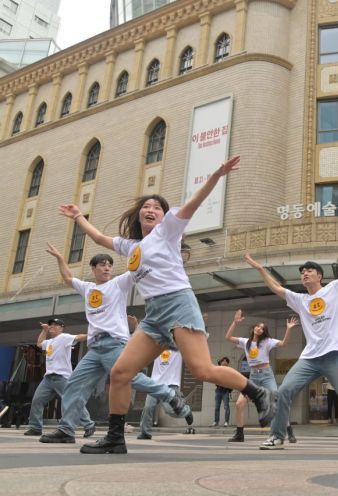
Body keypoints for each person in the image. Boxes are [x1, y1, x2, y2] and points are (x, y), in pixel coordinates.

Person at [61, 156, 277, 454]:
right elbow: (99, 237)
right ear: (139, 215)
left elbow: (194, 203)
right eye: (146, 207)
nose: (151, 210)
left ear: (164, 216)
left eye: (157, 208)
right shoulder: (131, 246)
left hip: (178, 304)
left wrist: (217, 174)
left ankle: (257, 392)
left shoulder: (168, 231)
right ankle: (115, 437)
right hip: (153, 315)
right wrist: (77, 217)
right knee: (120, 373)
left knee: (202, 370)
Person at [243, 232, 338, 450]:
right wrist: (260, 269)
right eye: (302, 272)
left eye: (309, 271)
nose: (304, 274)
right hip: (309, 358)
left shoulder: (335, 289)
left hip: (334, 355)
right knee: (284, 392)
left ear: (319, 275)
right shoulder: (300, 300)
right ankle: (277, 436)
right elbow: (276, 288)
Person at [39, 247, 192, 444]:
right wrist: (61, 257)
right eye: (102, 265)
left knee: (132, 379)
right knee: (74, 385)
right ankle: (67, 430)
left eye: (110, 265)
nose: (107, 268)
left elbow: (138, 269)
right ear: (93, 268)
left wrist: (160, 252)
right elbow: (68, 278)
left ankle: (169, 394)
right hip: (95, 348)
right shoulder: (87, 288)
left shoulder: (118, 283)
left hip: (114, 343)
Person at [225, 311, 298, 443]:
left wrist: (288, 329)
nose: (260, 328)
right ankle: (239, 434)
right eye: (258, 326)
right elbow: (228, 337)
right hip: (253, 377)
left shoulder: (267, 342)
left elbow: (283, 344)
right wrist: (235, 323)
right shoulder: (245, 342)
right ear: (254, 328)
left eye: (262, 328)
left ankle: (289, 430)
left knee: (276, 402)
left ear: (264, 331)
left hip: (266, 375)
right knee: (239, 404)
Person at [24, 319, 92, 437]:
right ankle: (35, 428)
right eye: (51, 325)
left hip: (62, 377)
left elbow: (78, 337)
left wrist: (93, 334)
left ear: (61, 328)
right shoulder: (49, 342)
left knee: (73, 401)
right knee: (37, 401)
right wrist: (44, 330)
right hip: (48, 378)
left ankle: (89, 425)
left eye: (56, 325)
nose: (53, 327)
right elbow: (39, 344)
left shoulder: (64, 337)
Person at [138, 349, 192, 439]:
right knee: (148, 407)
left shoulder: (178, 348)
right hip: (155, 383)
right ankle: (145, 433)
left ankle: (186, 411)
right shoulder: (157, 345)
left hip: (171, 384)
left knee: (170, 410)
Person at [211, 357, 232, 427]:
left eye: (226, 361)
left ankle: (226, 422)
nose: (224, 362)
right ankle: (216, 421)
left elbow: (232, 381)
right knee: (217, 407)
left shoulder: (229, 371)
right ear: (221, 362)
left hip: (225, 392)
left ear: (227, 364)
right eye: (223, 361)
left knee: (226, 407)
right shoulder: (218, 370)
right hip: (218, 391)